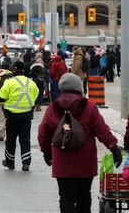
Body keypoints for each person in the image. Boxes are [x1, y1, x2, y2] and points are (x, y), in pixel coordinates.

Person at [38, 73, 122, 212]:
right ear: (79, 88)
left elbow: (43, 134)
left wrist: (46, 151)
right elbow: (102, 130)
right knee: (84, 196)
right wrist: (113, 147)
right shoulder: (89, 107)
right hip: (85, 163)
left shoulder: (53, 108)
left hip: (62, 162)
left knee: (66, 197)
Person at [0, 61, 39, 171]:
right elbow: (36, 94)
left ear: (14, 70)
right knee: (25, 139)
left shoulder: (9, 82)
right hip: (26, 115)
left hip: (12, 116)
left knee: (11, 139)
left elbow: (1, 97)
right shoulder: (31, 82)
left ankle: (10, 162)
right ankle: (26, 163)